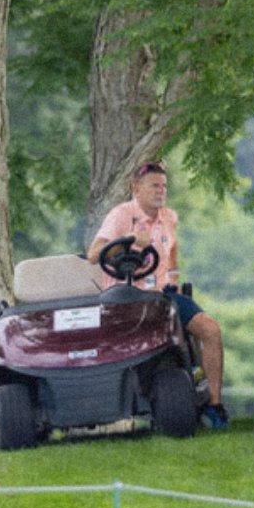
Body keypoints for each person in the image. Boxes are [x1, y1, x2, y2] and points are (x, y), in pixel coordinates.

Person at [87, 161, 229, 429]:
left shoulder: (169, 217)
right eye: (154, 185)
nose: (160, 191)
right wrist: (129, 240)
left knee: (210, 330)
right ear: (136, 189)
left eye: (164, 186)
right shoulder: (121, 215)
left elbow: (172, 253)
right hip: (126, 299)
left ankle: (214, 404)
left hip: (162, 296)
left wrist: (172, 279)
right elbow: (94, 254)